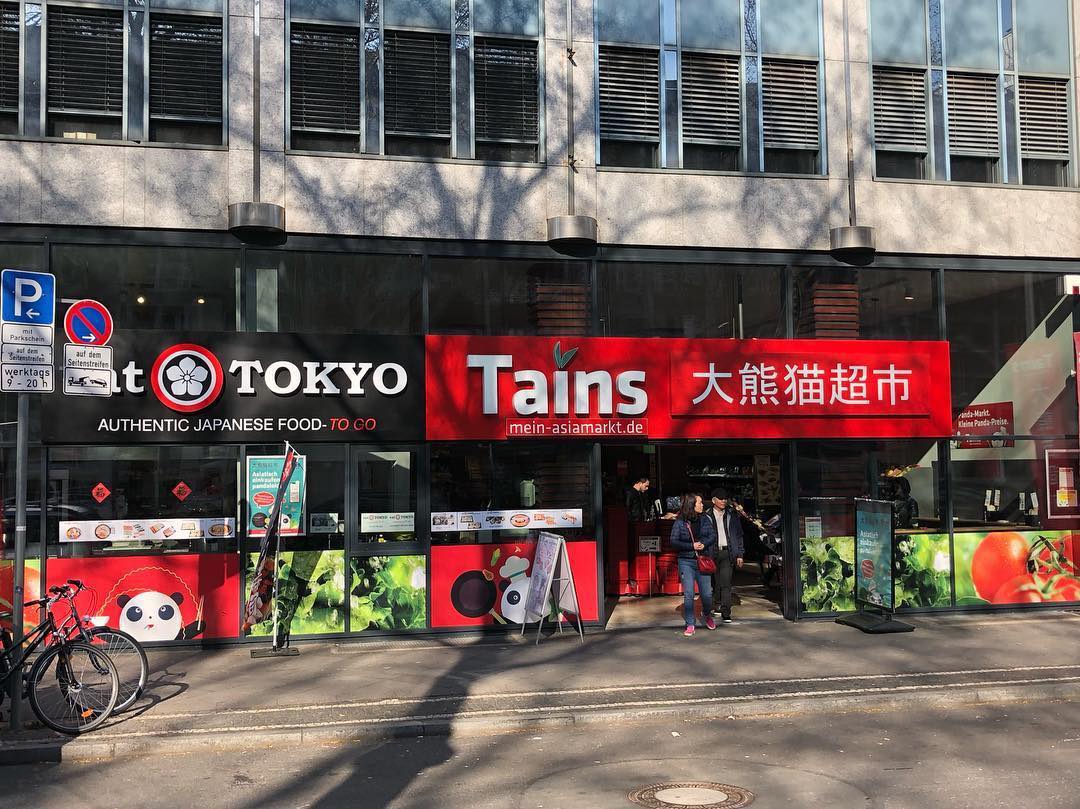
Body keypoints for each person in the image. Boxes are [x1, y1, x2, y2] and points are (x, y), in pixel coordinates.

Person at [669, 492, 717, 636]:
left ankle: (707, 614)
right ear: (692, 505)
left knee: (707, 593)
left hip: (703, 560)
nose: (702, 505)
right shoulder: (680, 521)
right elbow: (674, 541)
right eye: (700, 503)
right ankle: (690, 623)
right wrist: (692, 546)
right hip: (686, 561)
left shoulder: (705, 519)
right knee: (689, 593)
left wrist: (703, 543)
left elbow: (712, 536)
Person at [705, 488, 745, 623]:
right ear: (713, 500)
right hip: (712, 553)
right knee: (716, 583)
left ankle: (726, 611)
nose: (723, 501)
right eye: (720, 498)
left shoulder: (731, 515)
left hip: (728, 552)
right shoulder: (706, 516)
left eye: (725, 499)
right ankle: (717, 604)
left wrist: (740, 554)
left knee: (726, 583)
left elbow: (739, 535)